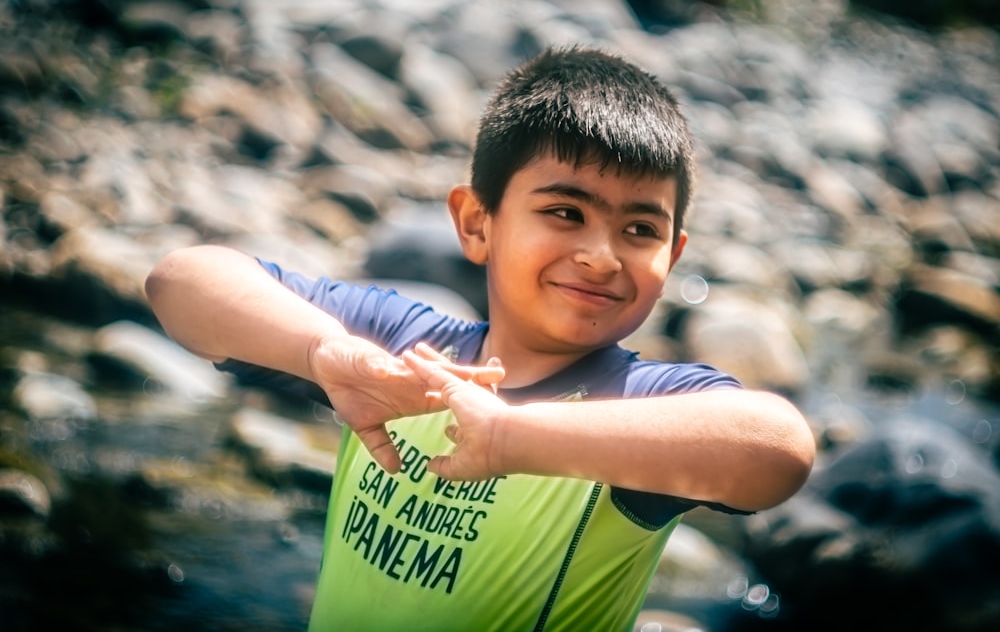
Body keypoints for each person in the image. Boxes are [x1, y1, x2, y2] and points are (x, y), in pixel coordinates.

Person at [145, 45, 815, 631]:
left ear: (674, 254)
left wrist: (509, 438)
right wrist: (323, 353)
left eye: (640, 231)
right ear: (476, 222)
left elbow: (776, 449)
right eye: (565, 212)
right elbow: (180, 282)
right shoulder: (400, 343)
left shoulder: (633, 405)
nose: (602, 256)